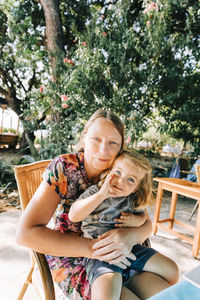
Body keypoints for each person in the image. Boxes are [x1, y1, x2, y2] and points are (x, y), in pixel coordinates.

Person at [16, 109, 172, 300]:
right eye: (96, 139)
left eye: (113, 143)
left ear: (122, 147)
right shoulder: (64, 169)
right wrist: (95, 248)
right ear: (84, 138)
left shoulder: (121, 171)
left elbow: (146, 222)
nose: (104, 150)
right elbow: (25, 234)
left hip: (121, 252)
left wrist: (130, 236)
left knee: (166, 293)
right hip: (73, 255)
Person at [69, 149, 179, 300]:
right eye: (118, 173)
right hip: (101, 254)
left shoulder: (132, 199)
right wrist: (101, 195)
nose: (121, 181)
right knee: (106, 296)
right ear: (109, 172)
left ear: (137, 188)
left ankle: (129, 278)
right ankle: (120, 282)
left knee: (172, 271)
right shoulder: (95, 191)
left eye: (131, 180)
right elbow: (74, 215)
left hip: (130, 248)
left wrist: (136, 221)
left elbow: (143, 217)